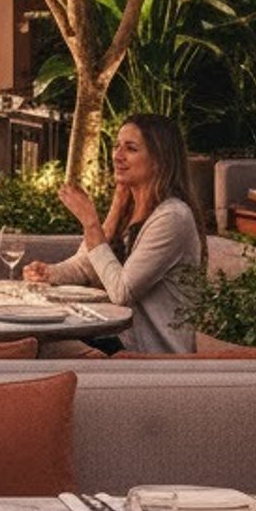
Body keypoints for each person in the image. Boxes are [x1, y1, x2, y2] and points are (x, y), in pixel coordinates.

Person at [26, 113, 204, 352]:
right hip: (118, 338)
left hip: (153, 353)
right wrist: (50, 273)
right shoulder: (130, 206)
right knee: (33, 339)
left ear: (160, 160)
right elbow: (87, 266)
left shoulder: (172, 217)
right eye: (116, 147)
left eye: (131, 149)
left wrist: (90, 222)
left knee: (42, 346)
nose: (118, 156)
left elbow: (122, 291)